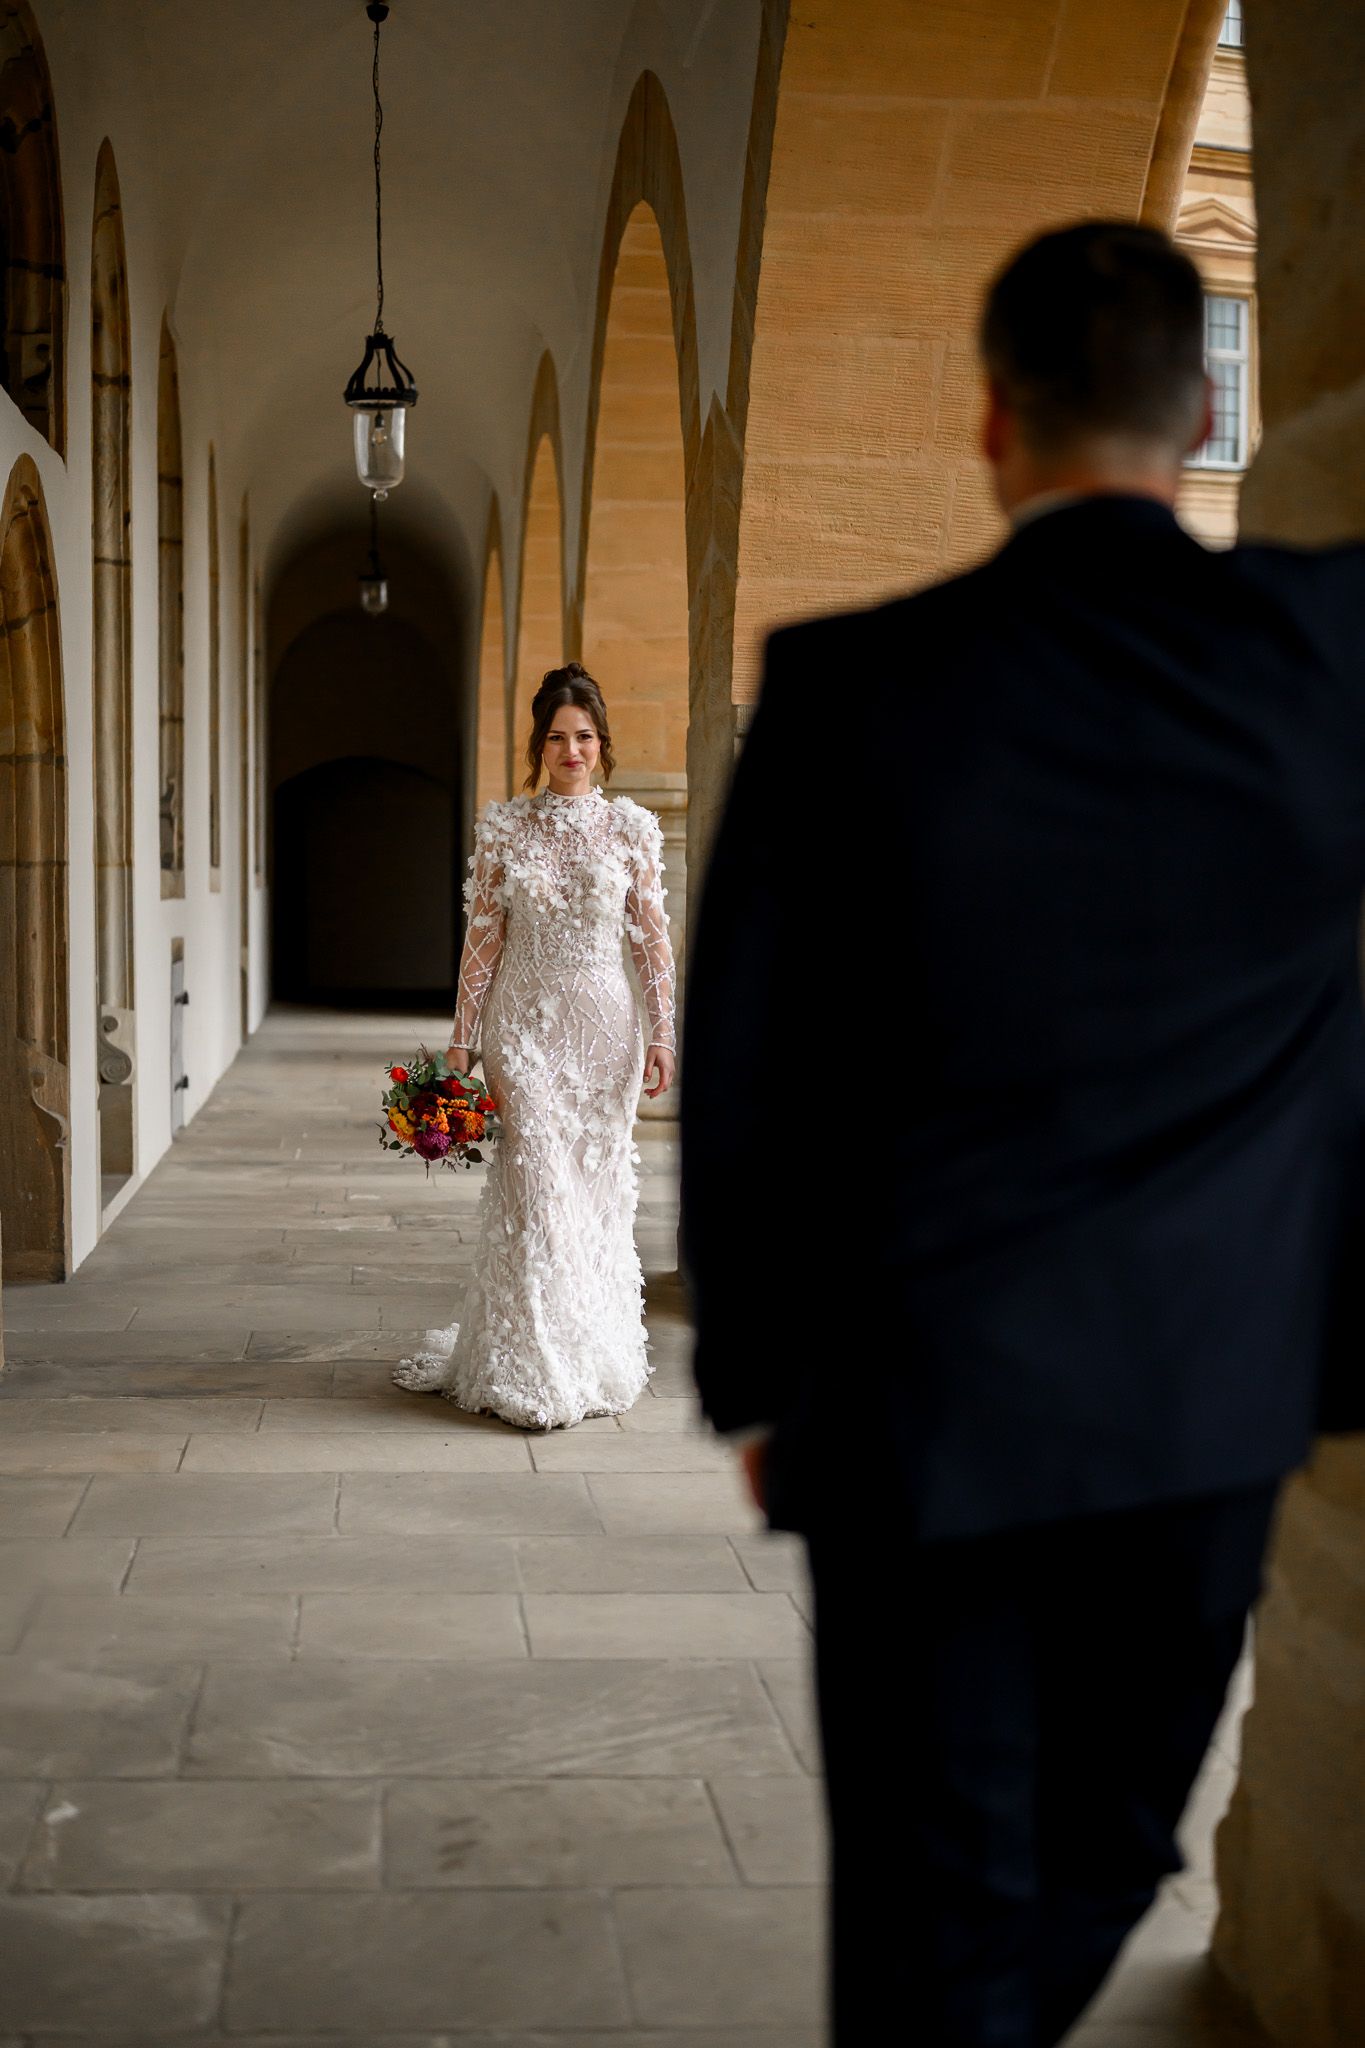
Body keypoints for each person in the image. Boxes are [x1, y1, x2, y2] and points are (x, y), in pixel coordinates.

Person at [680, 221, 1365, 2046]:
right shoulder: (1329, 655)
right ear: (1205, 408)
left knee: (931, 1879)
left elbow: (748, 1059)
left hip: (922, 1399)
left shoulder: (846, 684)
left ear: (993, 420)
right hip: (1210, 1398)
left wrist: (757, 1376)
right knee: (1112, 1844)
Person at [395, 661, 676, 1428]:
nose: (571, 750)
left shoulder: (631, 829)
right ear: (538, 746)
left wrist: (663, 1035)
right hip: (520, 1030)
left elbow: (651, 941)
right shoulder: (504, 828)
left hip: (605, 1035)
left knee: (592, 1193)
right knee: (536, 1184)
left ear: (601, 743)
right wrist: (461, 1041)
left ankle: (590, 1349)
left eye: (583, 736)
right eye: (556, 737)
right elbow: (482, 941)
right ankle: (535, 1364)